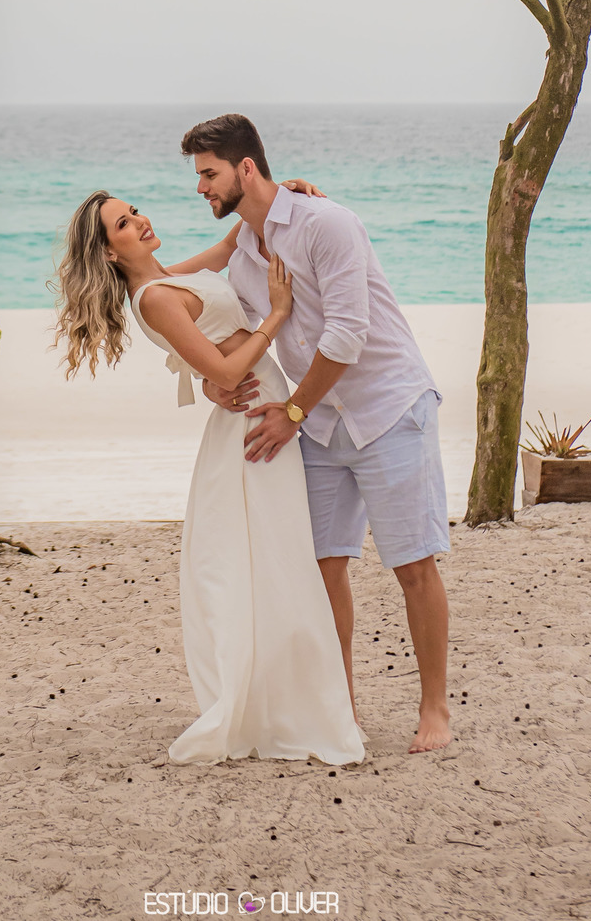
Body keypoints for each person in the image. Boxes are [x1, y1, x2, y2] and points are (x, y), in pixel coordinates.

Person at [54, 188, 364, 767]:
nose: (141, 221)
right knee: (272, 561)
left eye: (136, 210)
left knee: (279, 557)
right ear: (110, 252)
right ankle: (285, 702)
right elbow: (221, 367)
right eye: (123, 223)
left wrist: (280, 191)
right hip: (254, 419)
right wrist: (275, 313)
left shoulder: (172, 276)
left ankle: (302, 694)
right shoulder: (154, 299)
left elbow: (229, 245)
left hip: (259, 407)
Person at [183, 113, 452, 754]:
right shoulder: (244, 254)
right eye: (198, 176)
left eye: (208, 173)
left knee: (412, 564)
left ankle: (435, 709)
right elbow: (229, 328)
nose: (201, 188)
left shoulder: (327, 223)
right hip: (320, 425)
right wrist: (213, 382)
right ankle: (342, 709)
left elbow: (347, 334)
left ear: (246, 168)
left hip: (387, 409)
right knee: (323, 568)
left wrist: (293, 412)